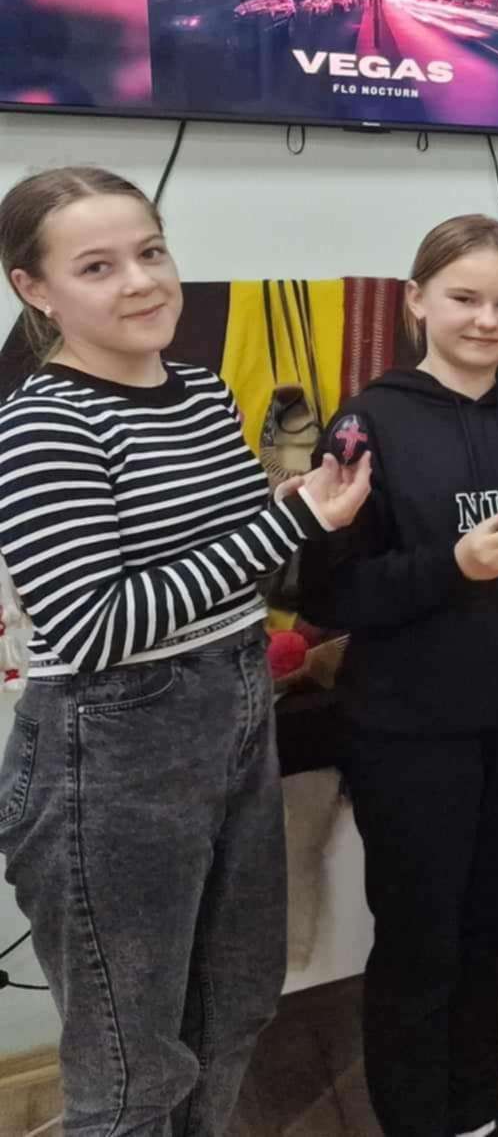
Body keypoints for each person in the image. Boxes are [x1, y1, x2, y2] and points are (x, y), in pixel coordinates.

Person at [0, 166, 371, 1136]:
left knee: (235, 1003)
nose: (141, 282)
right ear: (35, 289)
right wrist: (284, 527)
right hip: (110, 752)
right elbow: (92, 624)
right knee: (131, 1070)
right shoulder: (44, 423)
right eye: (97, 266)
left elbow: (234, 559)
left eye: (151, 252)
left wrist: (301, 505)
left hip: (235, 712)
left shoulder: (200, 390)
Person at [299, 216, 498, 1137]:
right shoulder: (369, 423)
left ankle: (475, 1112)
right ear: (417, 301)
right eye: (464, 298)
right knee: (419, 939)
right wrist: (450, 567)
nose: (485, 320)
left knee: (491, 928)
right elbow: (329, 593)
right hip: (407, 730)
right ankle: (415, 1121)